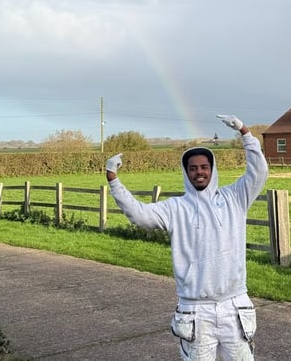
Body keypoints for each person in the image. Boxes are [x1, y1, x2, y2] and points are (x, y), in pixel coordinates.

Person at [105, 114, 269, 360]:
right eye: (193, 168)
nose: (199, 173)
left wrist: (245, 133)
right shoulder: (175, 208)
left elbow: (259, 172)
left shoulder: (235, 198)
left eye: (204, 167)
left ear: (212, 170)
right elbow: (139, 215)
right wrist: (113, 180)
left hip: (234, 305)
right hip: (195, 310)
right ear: (186, 172)